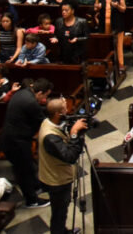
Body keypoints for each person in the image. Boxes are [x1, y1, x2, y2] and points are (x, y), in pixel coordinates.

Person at [1, 78, 53, 208]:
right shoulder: (30, 102)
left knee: (28, 166)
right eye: (45, 96)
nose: (45, 99)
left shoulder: (22, 93)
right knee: (23, 171)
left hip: (11, 137)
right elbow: (42, 122)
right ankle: (32, 200)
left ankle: (36, 186)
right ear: (40, 92)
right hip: (16, 141)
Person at [38, 98, 86, 233]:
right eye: (65, 109)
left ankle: (62, 230)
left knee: (60, 212)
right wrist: (75, 134)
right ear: (58, 114)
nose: (68, 111)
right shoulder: (50, 137)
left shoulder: (48, 122)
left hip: (55, 174)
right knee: (59, 212)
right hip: (56, 180)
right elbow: (69, 157)